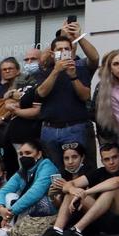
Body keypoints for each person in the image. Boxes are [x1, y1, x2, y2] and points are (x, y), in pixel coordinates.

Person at [38, 141, 119, 236]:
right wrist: (72, 189)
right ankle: (57, 229)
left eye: (114, 157)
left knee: (112, 190)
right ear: (102, 161)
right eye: (106, 159)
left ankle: (76, 231)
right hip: (107, 221)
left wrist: (84, 192)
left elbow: (116, 182)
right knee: (73, 192)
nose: (111, 162)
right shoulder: (99, 172)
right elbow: (70, 184)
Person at [29, 30, 95, 167]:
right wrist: (56, 71)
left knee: (79, 168)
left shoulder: (80, 68)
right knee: (52, 170)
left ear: (72, 52)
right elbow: (41, 93)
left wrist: (73, 76)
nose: (64, 51)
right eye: (60, 49)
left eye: (67, 49)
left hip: (75, 127)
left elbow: (85, 96)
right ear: (53, 54)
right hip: (50, 129)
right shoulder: (44, 72)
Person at [0, 140, 62, 236]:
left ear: (39, 154)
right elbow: (4, 190)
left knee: (27, 198)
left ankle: (8, 231)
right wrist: (0, 207)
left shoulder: (47, 166)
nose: (23, 157)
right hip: (28, 208)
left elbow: (35, 193)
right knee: (9, 196)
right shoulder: (23, 171)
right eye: (21, 154)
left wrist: (10, 213)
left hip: (49, 205)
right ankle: (7, 230)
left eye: (28, 153)